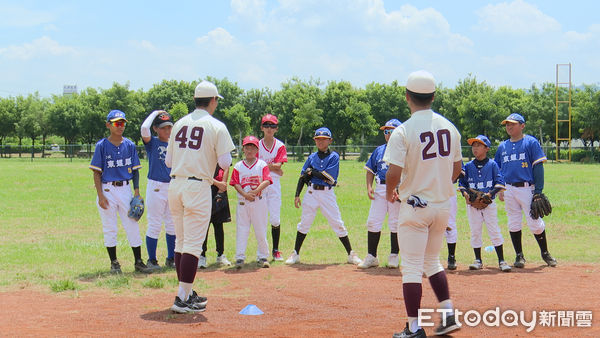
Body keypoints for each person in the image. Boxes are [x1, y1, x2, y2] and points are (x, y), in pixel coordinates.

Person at [383, 70, 462, 337]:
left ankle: (414, 328)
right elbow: (457, 168)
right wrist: (439, 183)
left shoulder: (403, 130)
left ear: (408, 97)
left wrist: (390, 192)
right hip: (442, 205)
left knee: (413, 266)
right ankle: (448, 312)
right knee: (432, 260)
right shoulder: (449, 127)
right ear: (433, 97)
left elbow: (392, 172)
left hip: (415, 207)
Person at [165, 80, 235, 314]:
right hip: (198, 187)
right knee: (193, 245)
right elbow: (225, 162)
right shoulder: (216, 125)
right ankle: (182, 297)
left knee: (181, 242)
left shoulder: (179, 124)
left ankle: (187, 292)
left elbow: (168, 161)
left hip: (175, 184)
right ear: (212, 100)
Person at [285, 127, 362, 266]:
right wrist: (297, 194)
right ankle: (295, 253)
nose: (320, 142)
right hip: (311, 193)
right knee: (304, 223)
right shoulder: (311, 157)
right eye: (318, 139)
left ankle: (351, 254)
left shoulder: (334, 157)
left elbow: (329, 177)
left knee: (337, 223)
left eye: (323, 139)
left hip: (327, 193)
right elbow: (303, 176)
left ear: (330, 140)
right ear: (315, 141)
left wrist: (312, 172)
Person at [90, 109, 153, 274]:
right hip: (107, 189)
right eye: (117, 123)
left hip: (125, 189)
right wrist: (100, 196)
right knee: (110, 227)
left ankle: (138, 261)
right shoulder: (101, 146)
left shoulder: (130, 145)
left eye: (123, 123)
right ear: (108, 125)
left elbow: (136, 170)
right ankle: (114, 263)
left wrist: (137, 192)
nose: (120, 126)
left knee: (132, 224)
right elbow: (96, 173)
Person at [494, 113, 557, 268]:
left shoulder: (530, 142)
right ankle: (519, 256)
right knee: (513, 222)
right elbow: (498, 170)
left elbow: (538, 167)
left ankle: (545, 253)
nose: (509, 127)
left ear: (522, 126)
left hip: (527, 188)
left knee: (534, 222)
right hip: (508, 188)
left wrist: (538, 191)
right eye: (507, 124)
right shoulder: (502, 146)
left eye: (513, 124)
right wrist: (500, 189)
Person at [458, 135, 511, 272]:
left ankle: (501, 260)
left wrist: (490, 194)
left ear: (486, 148)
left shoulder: (493, 165)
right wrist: (465, 195)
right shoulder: (468, 166)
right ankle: (478, 260)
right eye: (473, 145)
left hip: (489, 205)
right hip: (472, 206)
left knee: (494, 230)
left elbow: (500, 183)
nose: (475, 148)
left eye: (478, 145)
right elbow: (462, 184)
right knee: (475, 231)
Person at [358, 119, 402, 269]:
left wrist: (401, 189)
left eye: (391, 131)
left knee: (395, 223)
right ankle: (372, 256)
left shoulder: (404, 150)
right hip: (381, 188)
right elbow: (370, 170)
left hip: (398, 189)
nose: (388, 134)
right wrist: (369, 186)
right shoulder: (379, 150)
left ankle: (394, 255)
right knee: (373, 221)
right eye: (386, 131)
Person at [230, 135, 273, 269]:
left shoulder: (262, 165)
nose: (249, 150)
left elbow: (267, 180)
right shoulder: (238, 166)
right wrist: (244, 194)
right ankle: (240, 257)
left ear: (257, 150)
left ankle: (263, 256)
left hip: (258, 200)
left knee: (260, 229)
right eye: (247, 148)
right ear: (243, 149)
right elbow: (235, 183)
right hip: (243, 202)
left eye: (252, 148)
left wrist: (254, 192)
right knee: (242, 230)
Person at [140, 110, 176, 270]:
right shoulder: (153, 143)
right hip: (156, 186)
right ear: (156, 128)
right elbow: (143, 129)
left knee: (172, 223)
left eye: (169, 127)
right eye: (163, 127)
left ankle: (172, 258)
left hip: (173, 185)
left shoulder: (175, 144)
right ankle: (152, 260)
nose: (167, 131)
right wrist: (154, 113)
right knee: (154, 223)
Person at [258, 114, 288, 261]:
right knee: (261, 218)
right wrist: (274, 167)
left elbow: (279, 166)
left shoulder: (280, 145)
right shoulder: (256, 145)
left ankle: (276, 250)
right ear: (262, 127)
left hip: (274, 184)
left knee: (275, 218)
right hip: (259, 183)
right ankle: (262, 252)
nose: (269, 128)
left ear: (276, 129)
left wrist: (266, 165)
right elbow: (272, 167)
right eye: (267, 125)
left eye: (272, 126)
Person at [197, 165, 232, 268]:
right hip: (204, 189)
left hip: (220, 190)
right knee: (204, 226)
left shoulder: (221, 151)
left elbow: (226, 167)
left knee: (219, 225)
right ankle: (202, 256)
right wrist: (218, 183)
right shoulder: (203, 151)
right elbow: (201, 172)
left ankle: (220, 255)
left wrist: (222, 186)